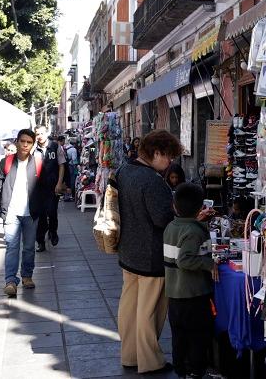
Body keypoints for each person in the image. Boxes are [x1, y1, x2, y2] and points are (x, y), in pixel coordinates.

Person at [115, 130, 182, 374]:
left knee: (129, 306)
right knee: (149, 310)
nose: (170, 163)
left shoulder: (124, 170)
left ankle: (130, 355)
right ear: (156, 153)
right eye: (168, 157)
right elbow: (162, 218)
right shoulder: (152, 181)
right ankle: (150, 361)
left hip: (128, 250)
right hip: (152, 253)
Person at [163, 183, 218, 378]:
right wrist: (209, 264)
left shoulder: (172, 226)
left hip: (174, 296)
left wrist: (199, 223)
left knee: (179, 337)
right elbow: (185, 259)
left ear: (175, 207)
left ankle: (181, 370)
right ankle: (196, 371)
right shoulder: (193, 231)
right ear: (200, 207)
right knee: (197, 337)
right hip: (193, 295)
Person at [0, 129, 46, 297]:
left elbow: (44, 188)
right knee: (12, 247)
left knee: (29, 248)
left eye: (29, 142)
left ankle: (27, 276)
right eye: (22, 141)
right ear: (17, 142)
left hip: (31, 213)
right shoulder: (5, 162)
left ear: (33, 144)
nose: (25, 145)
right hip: (11, 212)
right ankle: (11, 281)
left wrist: (43, 208)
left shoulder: (38, 163)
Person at [34, 126, 66, 252]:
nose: (40, 136)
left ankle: (53, 232)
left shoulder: (55, 146)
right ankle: (40, 241)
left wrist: (59, 183)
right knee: (40, 215)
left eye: (42, 133)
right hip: (37, 188)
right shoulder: (33, 149)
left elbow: (62, 166)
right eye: (37, 134)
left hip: (52, 186)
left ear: (47, 133)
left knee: (52, 211)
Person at [58, 135, 78, 201]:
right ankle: (70, 195)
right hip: (70, 166)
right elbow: (74, 159)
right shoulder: (73, 149)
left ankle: (66, 195)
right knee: (71, 180)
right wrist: (76, 166)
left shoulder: (65, 148)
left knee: (66, 181)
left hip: (65, 166)